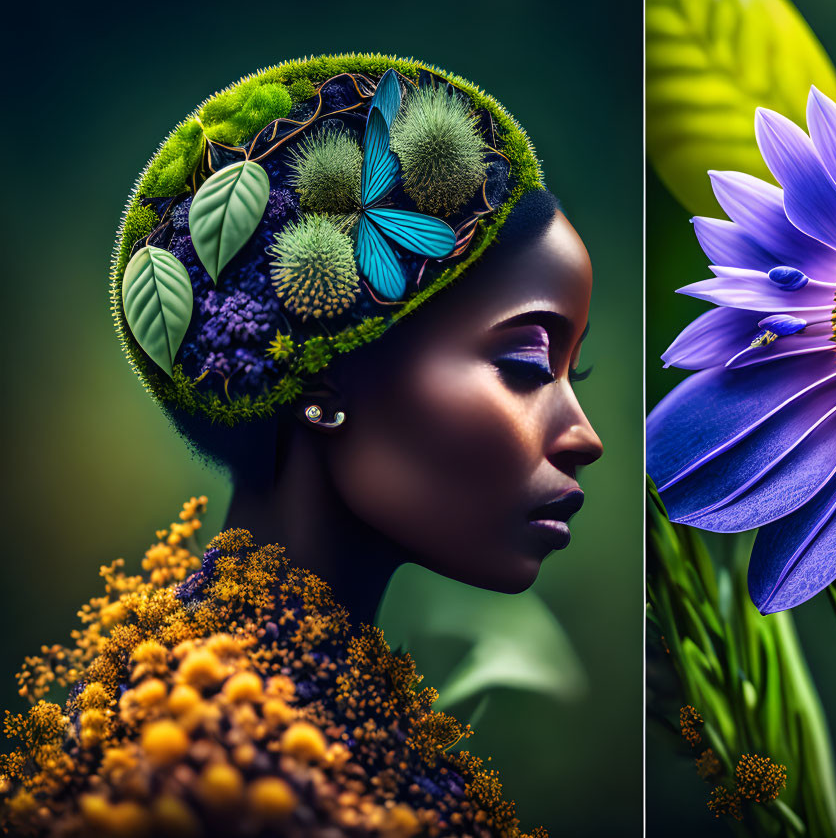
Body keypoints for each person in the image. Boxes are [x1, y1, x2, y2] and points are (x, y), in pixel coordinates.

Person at [1, 54, 602, 837]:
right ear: (321, 383)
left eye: (571, 369)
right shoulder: (201, 760)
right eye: (524, 364)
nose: (583, 434)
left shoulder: (348, 720)